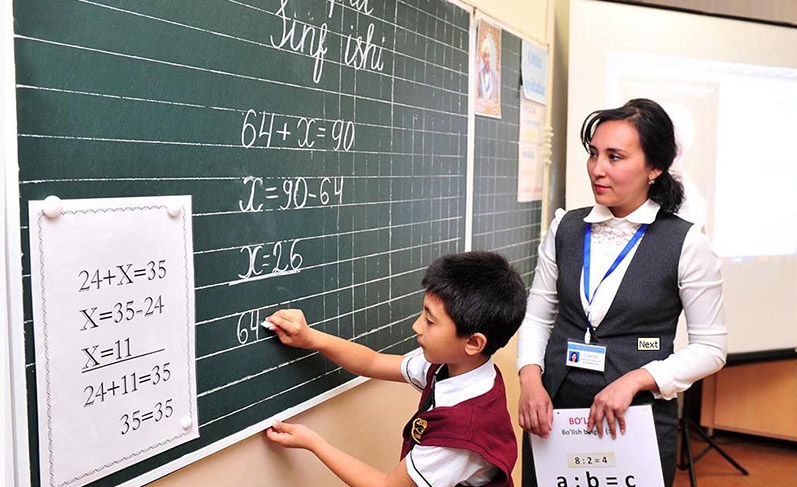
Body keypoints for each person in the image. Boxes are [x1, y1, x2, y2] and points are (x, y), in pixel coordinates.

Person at [516, 98, 727, 487]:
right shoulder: (565, 226)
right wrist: (530, 381)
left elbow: (711, 350)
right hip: (554, 411)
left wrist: (635, 380)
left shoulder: (687, 243)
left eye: (615, 157)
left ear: (654, 168)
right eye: (593, 154)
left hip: (636, 416)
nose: (598, 169)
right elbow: (538, 315)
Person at [266, 251, 528, 487]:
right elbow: (372, 362)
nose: (417, 326)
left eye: (429, 320)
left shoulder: (460, 437)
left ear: (473, 342)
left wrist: (314, 443)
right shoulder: (461, 366)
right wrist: (312, 338)